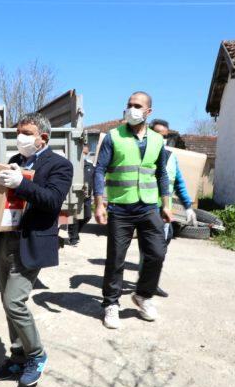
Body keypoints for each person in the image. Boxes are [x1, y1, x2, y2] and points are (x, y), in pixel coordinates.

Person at [0, 112, 73, 387]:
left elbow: (52, 200)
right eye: (19, 132)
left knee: (15, 302)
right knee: (7, 303)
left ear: (43, 138)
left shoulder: (59, 165)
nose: (20, 138)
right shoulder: (15, 161)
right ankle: (17, 356)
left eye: (26, 133)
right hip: (6, 240)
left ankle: (36, 355)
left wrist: (22, 184)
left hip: (32, 240)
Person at [93, 91, 172, 329]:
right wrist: (99, 203)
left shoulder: (158, 140)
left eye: (137, 105)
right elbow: (99, 170)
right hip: (120, 207)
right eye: (129, 105)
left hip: (149, 206)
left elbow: (161, 174)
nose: (131, 109)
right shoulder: (113, 137)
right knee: (116, 258)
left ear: (149, 111)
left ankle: (143, 295)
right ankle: (111, 304)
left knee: (157, 253)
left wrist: (166, 204)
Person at [146, 119, 197, 298]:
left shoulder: (171, 157)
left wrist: (188, 206)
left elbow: (179, 183)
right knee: (150, 250)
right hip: (147, 210)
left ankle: (151, 283)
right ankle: (145, 285)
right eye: (158, 135)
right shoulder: (143, 154)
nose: (162, 139)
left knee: (160, 250)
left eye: (165, 136)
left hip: (164, 211)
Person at [68, 144, 94, 246]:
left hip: (86, 196)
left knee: (87, 216)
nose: (85, 154)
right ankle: (73, 237)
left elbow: (93, 179)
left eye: (86, 153)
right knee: (74, 216)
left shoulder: (90, 165)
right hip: (75, 194)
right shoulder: (72, 163)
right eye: (83, 152)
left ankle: (75, 233)